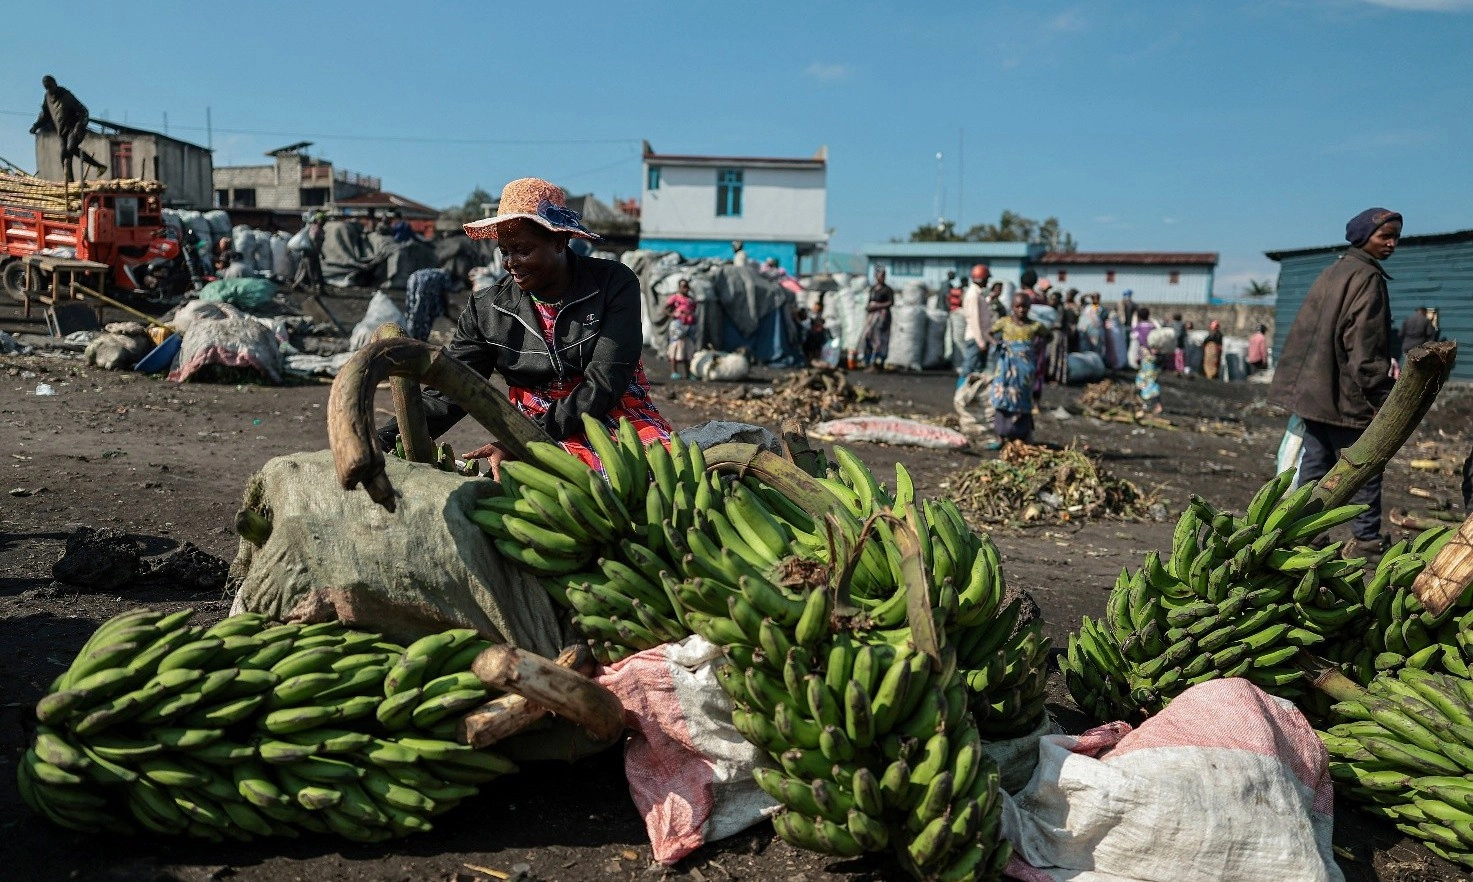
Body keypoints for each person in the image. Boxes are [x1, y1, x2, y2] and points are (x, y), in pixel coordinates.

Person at [376, 177, 671, 478]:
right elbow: (451, 391)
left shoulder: (613, 284)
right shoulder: (487, 309)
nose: (510, 262)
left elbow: (606, 381)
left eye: (522, 250)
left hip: (614, 408)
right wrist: (380, 440)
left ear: (559, 241)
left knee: (649, 476)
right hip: (535, 416)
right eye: (505, 251)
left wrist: (522, 441)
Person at [1269, 207, 1401, 558]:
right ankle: (1367, 541)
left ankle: (1306, 534)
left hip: (1314, 393)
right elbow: (1365, 347)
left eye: (1395, 237)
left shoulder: (1333, 273)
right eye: (1384, 236)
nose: (1392, 244)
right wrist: (1381, 397)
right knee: (1364, 468)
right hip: (1346, 396)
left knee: (1315, 463)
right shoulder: (1367, 280)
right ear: (1362, 238)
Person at [989, 291, 1049, 444]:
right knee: (1003, 398)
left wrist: (1035, 348)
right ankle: (1000, 435)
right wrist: (997, 344)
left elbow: (1048, 336)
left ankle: (1023, 434)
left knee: (1023, 398)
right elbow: (989, 332)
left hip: (1025, 368)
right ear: (1012, 307)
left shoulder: (1035, 325)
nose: (1021, 310)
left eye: (1025, 307)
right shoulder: (1005, 322)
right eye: (1018, 306)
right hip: (1006, 366)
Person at [30, 75, 107, 182]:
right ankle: (70, 182)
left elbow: (83, 111)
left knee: (71, 148)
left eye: (50, 86)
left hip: (73, 128)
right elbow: (45, 115)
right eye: (47, 88)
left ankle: (99, 166)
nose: (50, 89)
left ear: (55, 84)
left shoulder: (65, 95)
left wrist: (80, 125)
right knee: (64, 156)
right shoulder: (47, 97)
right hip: (62, 132)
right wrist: (36, 126)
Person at [958, 264, 991, 383]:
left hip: (980, 336)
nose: (988, 281)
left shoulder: (978, 294)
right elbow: (974, 320)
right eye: (987, 278)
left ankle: (971, 395)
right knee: (968, 367)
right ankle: (960, 392)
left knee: (978, 369)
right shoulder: (973, 295)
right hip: (975, 337)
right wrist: (980, 341)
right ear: (981, 279)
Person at [404, 267, 452, 341]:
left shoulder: (434, 274)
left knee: (413, 312)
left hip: (414, 280)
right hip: (424, 289)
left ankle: (414, 337)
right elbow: (443, 299)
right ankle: (419, 339)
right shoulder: (444, 278)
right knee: (422, 314)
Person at [664, 277, 697, 380]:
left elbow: (694, 309)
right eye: (683, 287)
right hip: (678, 325)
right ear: (679, 287)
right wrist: (673, 314)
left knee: (688, 348)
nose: (685, 289)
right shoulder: (675, 297)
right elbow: (665, 309)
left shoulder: (691, 299)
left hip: (688, 326)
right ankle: (674, 372)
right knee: (676, 347)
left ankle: (689, 373)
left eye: (686, 286)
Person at [861, 267, 894, 370]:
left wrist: (878, 305)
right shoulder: (873, 289)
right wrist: (869, 307)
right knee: (867, 337)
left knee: (880, 339)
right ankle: (867, 361)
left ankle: (878, 362)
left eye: (884, 275)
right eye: (880, 275)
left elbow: (890, 302)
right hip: (872, 317)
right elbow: (869, 302)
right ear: (876, 277)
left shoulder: (887, 290)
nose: (882, 278)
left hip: (882, 318)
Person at [1136, 345, 1164, 414]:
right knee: (1145, 393)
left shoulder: (1152, 359)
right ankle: (1146, 406)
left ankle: (1157, 406)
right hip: (1145, 378)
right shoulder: (1143, 360)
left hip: (1151, 378)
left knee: (1154, 392)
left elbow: (1155, 361)